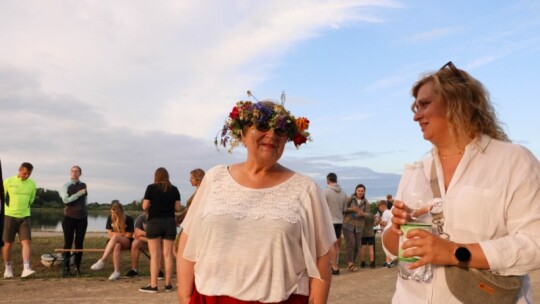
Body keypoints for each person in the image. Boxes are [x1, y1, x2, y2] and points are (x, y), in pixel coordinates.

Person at [382, 61, 540, 303]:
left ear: (456, 101)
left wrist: (456, 253)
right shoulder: (416, 171)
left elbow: (534, 244)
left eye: (424, 104)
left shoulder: (513, 160)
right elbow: (393, 248)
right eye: (414, 107)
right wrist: (395, 230)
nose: (416, 116)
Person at [177, 95, 336, 303]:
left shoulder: (305, 189)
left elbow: (322, 260)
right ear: (242, 134)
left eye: (280, 130)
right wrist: (186, 297)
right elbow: (189, 241)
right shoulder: (215, 178)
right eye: (261, 125)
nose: (271, 134)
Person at [139, 167, 181, 293]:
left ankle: (153, 285)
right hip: (169, 222)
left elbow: (144, 206)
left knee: (155, 255)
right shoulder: (174, 189)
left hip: (154, 222)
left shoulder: (151, 188)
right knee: (168, 255)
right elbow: (178, 208)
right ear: (167, 176)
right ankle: (168, 284)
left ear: (156, 176)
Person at [2, 162, 37, 278]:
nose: (26, 176)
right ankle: (8, 268)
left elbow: (31, 199)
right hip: (8, 216)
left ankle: (26, 268)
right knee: (7, 244)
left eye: (29, 174)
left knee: (26, 242)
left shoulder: (32, 184)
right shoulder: (8, 182)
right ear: (20, 170)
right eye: (25, 173)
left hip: (25, 216)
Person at [90, 201, 134, 281]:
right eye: (112, 213)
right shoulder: (110, 218)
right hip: (113, 242)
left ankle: (102, 261)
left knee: (116, 237)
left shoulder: (129, 218)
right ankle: (116, 272)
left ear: (120, 212)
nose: (114, 215)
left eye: (115, 213)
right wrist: (121, 234)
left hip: (126, 242)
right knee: (117, 245)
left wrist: (117, 234)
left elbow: (129, 235)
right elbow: (110, 234)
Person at [60, 165, 88, 277]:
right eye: (73, 171)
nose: (74, 173)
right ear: (70, 173)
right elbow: (65, 200)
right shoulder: (66, 185)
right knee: (68, 242)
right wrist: (79, 194)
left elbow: (84, 201)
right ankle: (66, 267)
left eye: (77, 171)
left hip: (82, 218)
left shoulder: (83, 185)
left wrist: (84, 210)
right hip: (69, 217)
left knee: (79, 243)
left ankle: (77, 267)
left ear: (80, 173)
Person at [173, 168, 205, 257]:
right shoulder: (199, 191)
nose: (189, 180)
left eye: (192, 178)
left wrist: (179, 217)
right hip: (190, 223)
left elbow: (192, 209)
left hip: (193, 224)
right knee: (178, 248)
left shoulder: (201, 192)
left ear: (198, 179)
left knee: (179, 248)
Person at [125, 212, 164, 280]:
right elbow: (136, 235)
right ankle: (134, 270)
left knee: (160, 244)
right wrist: (149, 238)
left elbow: (160, 236)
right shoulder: (141, 218)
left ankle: (158, 270)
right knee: (135, 243)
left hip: (156, 242)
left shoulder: (160, 220)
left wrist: (142, 233)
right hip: (145, 241)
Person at [324, 172, 348, 275]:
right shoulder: (343, 193)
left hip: (329, 221)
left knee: (331, 245)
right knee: (336, 245)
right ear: (336, 180)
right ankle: (335, 263)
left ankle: (334, 266)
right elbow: (345, 209)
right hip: (339, 221)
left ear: (328, 180)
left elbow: (322, 207)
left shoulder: (325, 192)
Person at [342, 184, 368, 272]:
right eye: (359, 190)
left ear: (364, 192)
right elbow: (343, 209)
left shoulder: (366, 202)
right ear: (356, 191)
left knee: (357, 246)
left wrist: (363, 214)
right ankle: (350, 264)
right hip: (348, 224)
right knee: (351, 243)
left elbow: (369, 214)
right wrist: (352, 209)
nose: (360, 192)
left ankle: (352, 262)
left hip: (359, 226)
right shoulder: (350, 199)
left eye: (362, 191)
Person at [377, 200, 393, 268]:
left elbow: (384, 223)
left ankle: (388, 262)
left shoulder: (385, 213)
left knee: (386, 247)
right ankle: (390, 261)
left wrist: (378, 221)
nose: (379, 209)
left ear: (382, 206)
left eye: (379, 207)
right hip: (391, 231)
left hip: (386, 231)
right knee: (389, 247)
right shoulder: (389, 212)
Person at [359, 203, 376, 269]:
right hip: (371, 233)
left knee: (363, 248)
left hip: (363, 233)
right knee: (371, 248)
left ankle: (362, 263)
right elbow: (373, 224)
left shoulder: (361, 215)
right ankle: (372, 263)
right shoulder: (371, 215)